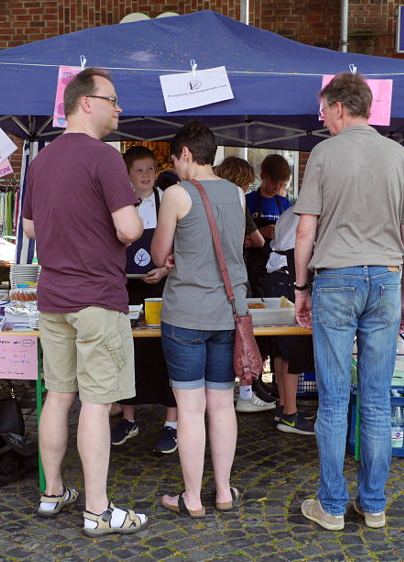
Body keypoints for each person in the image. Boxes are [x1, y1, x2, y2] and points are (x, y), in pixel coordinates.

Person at [22, 67, 149, 537]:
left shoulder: (42, 162)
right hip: (97, 296)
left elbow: (32, 230)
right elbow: (131, 230)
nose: (119, 108)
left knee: (58, 396)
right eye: (113, 99)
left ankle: (53, 492)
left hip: (53, 296)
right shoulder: (104, 158)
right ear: (86, 102)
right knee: (97, 403)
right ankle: (98, 510)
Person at [293, 72, 404, 531]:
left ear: (341, 108)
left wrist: (300, 287)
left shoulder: (324, 154)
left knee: (331, 402)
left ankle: (330, 506)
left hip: (337, 279)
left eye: (324, 110)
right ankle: (373, 504)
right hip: (386, 280)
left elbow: (305, 230)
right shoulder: (398, 155)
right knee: (377, 401)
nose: (322, 118)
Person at [152, 120, 246, 517]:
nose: (175, 166)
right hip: (227, 313)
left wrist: (173, 258)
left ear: (187, 154)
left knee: (189, 410)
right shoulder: (239, 194)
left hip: (186, 314)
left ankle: (192, 498)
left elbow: (158, 255)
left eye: (175, 158)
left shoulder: (176, 193)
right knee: (222, 407)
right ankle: (223, 491)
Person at [110, 145, 178, 454]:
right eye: (139, 170)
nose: (146, 175)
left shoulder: (169, 201)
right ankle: (128, 418)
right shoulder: (117, 204)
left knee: (167, 353)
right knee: (127, 352)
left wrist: (164, 270)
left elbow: (181, 244)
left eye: (150, 168)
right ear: (127, 174)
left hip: (162, 288)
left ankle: (171, 423)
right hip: (128, 289)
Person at [214, 156, 275, 415]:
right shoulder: (237, 202)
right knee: (242, 335)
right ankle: (246, 392)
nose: (248, 190)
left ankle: (230, 393)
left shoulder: (208, 199)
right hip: (237, 277)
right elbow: (259, 241)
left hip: (212, 279)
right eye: (247, 185)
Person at [265, 205, 315, 435]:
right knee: (292, 349)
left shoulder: (289, 211)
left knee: (281, 349)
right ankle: (290, 415)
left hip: (275, 278)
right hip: (289, 277)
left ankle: (284, 405)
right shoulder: (307, 213)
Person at [244, 154, 292, 297]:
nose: (276, 187)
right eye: (273, 182)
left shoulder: (285, 205)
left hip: (277, 268)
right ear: (262, 175)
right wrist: (258, 233)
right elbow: (237, 233)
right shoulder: (248, 201)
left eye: (281, 184)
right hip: (252, 266)